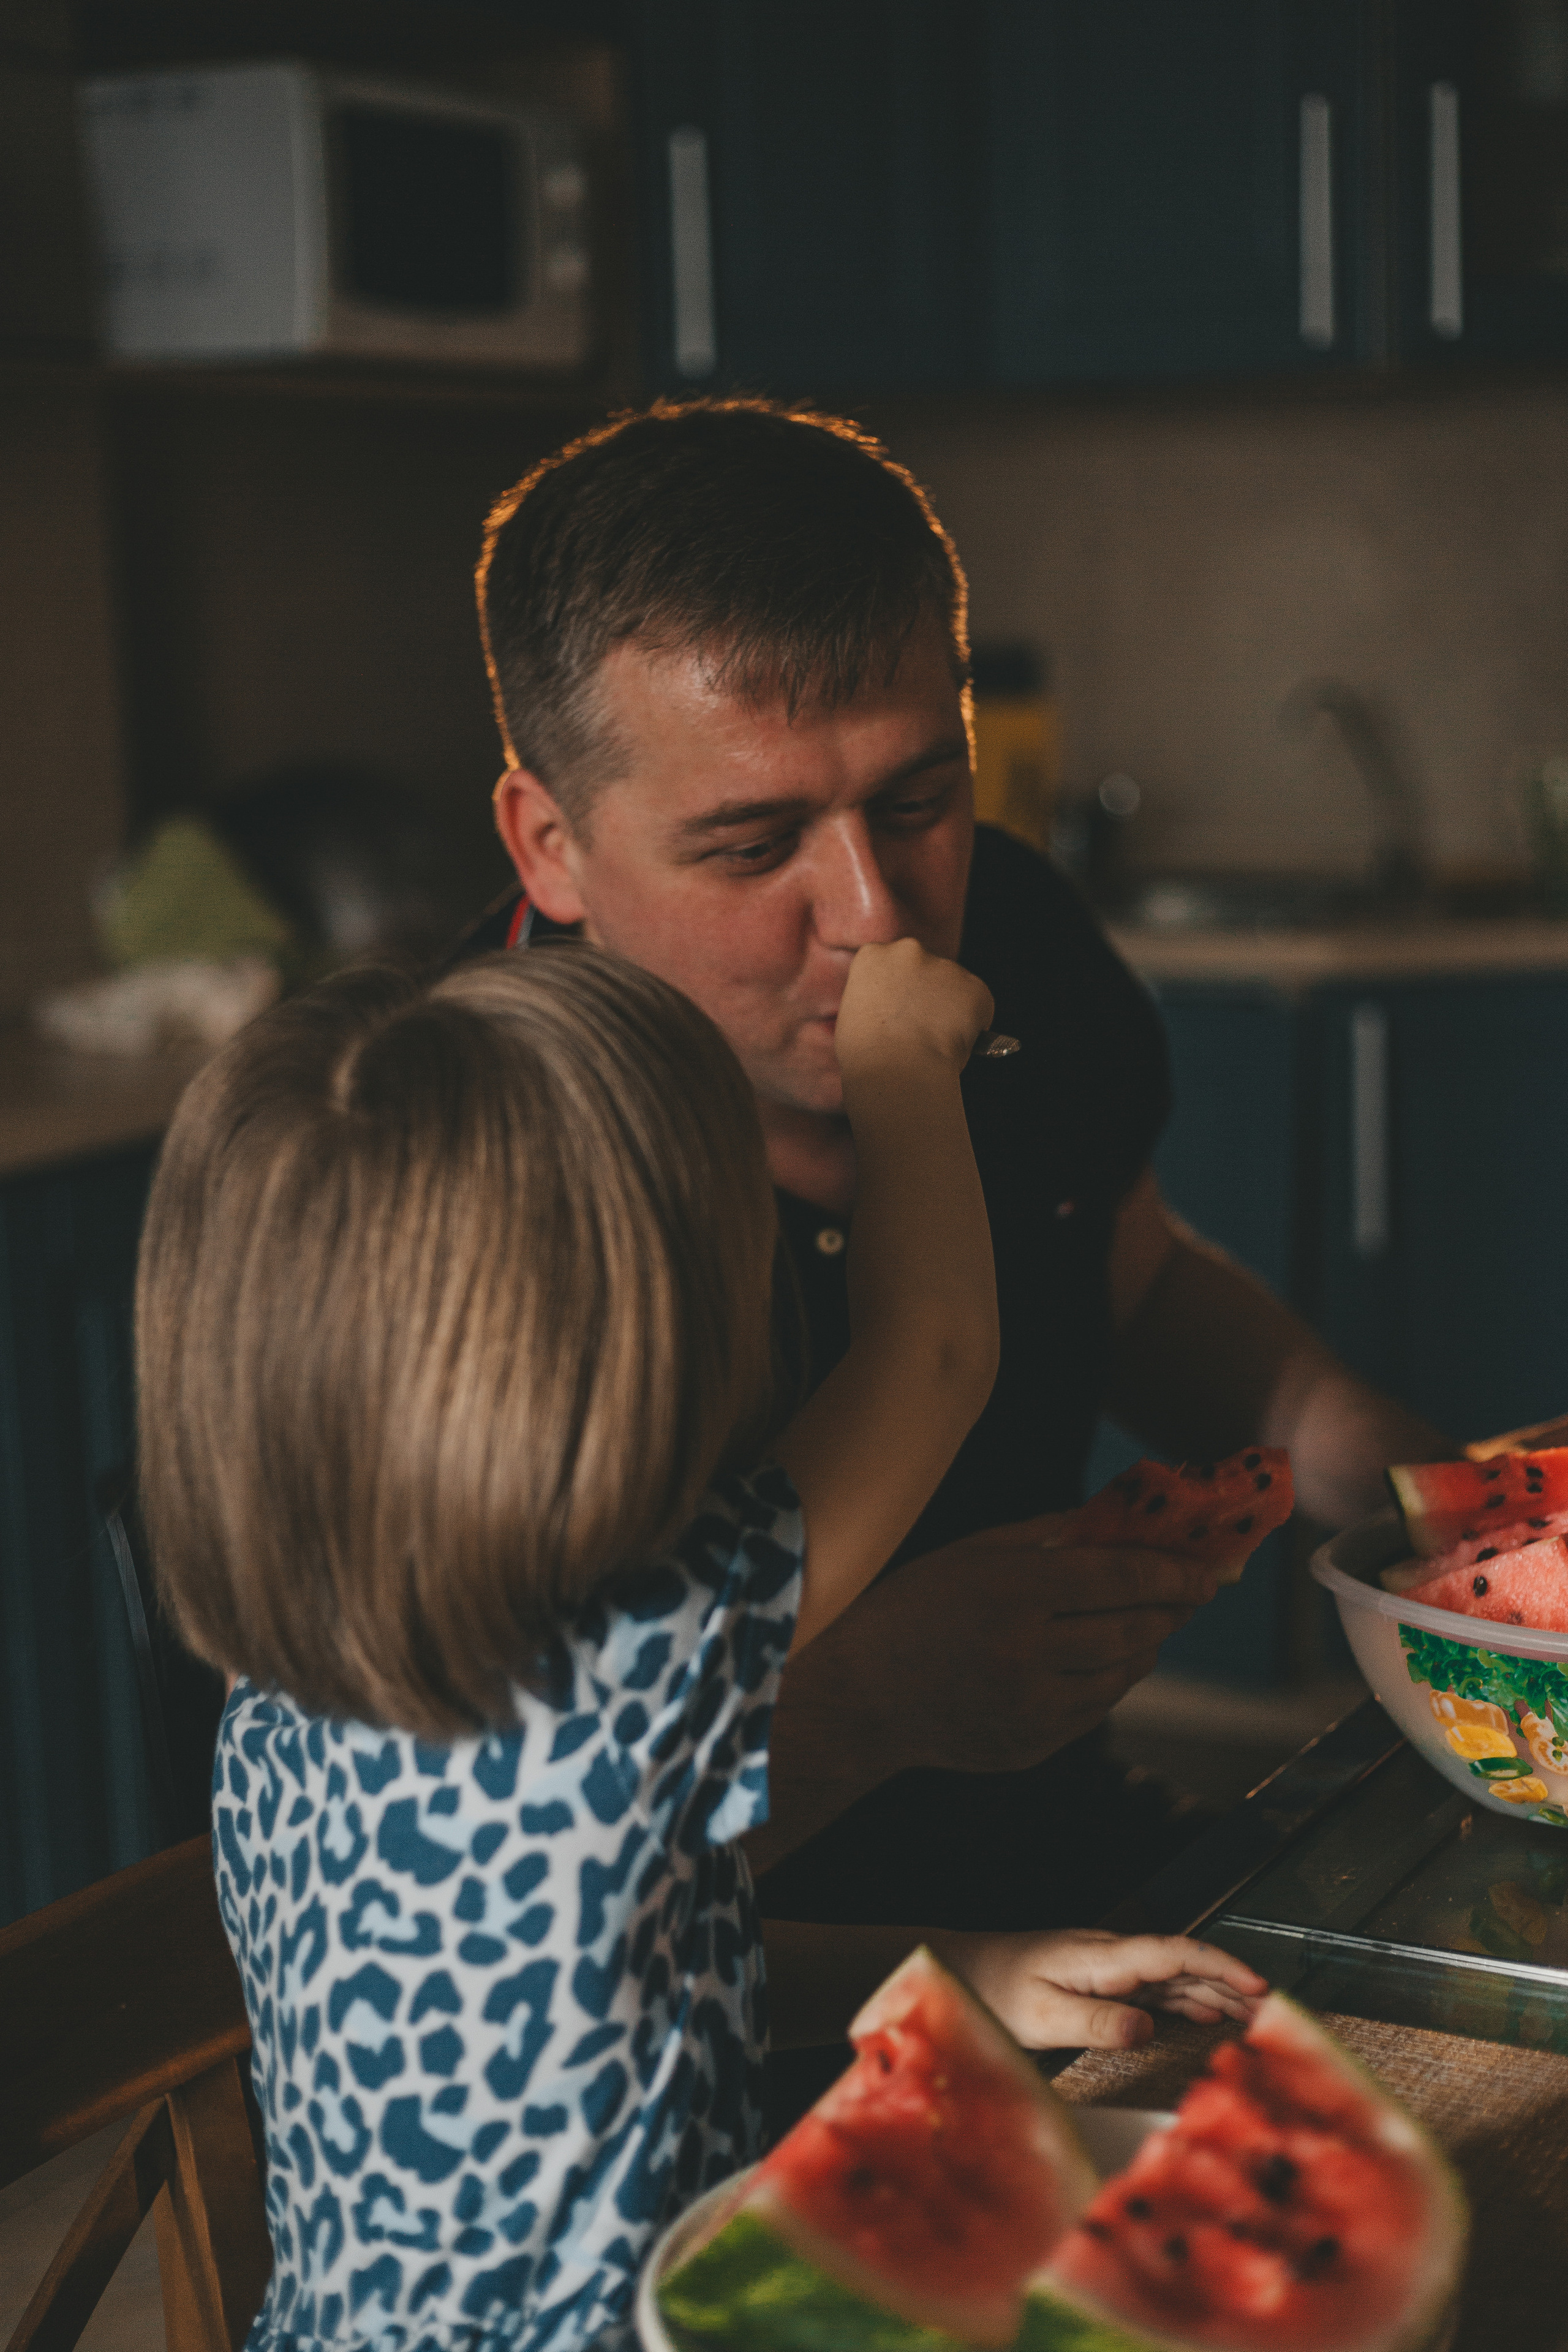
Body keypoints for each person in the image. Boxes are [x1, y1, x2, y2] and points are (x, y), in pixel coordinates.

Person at [137, 944, 1264, 2352]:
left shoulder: (283, 1706)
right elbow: (930, 1354)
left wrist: (966, 1967)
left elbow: (627, 1978)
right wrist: (900, 1069)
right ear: (654, 1336)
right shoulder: (636, 1656)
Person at [467, 396, 1455, 1938]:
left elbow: (1127, 1278)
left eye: (919, 801)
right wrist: (866, 1711)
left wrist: (1421, 1498)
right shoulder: (449, 1196)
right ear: (549, 848)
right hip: (708, 1996)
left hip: (1056, 1871)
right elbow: (506, 1895)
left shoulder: (1027, 945)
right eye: (749, 845)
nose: (878, 915)